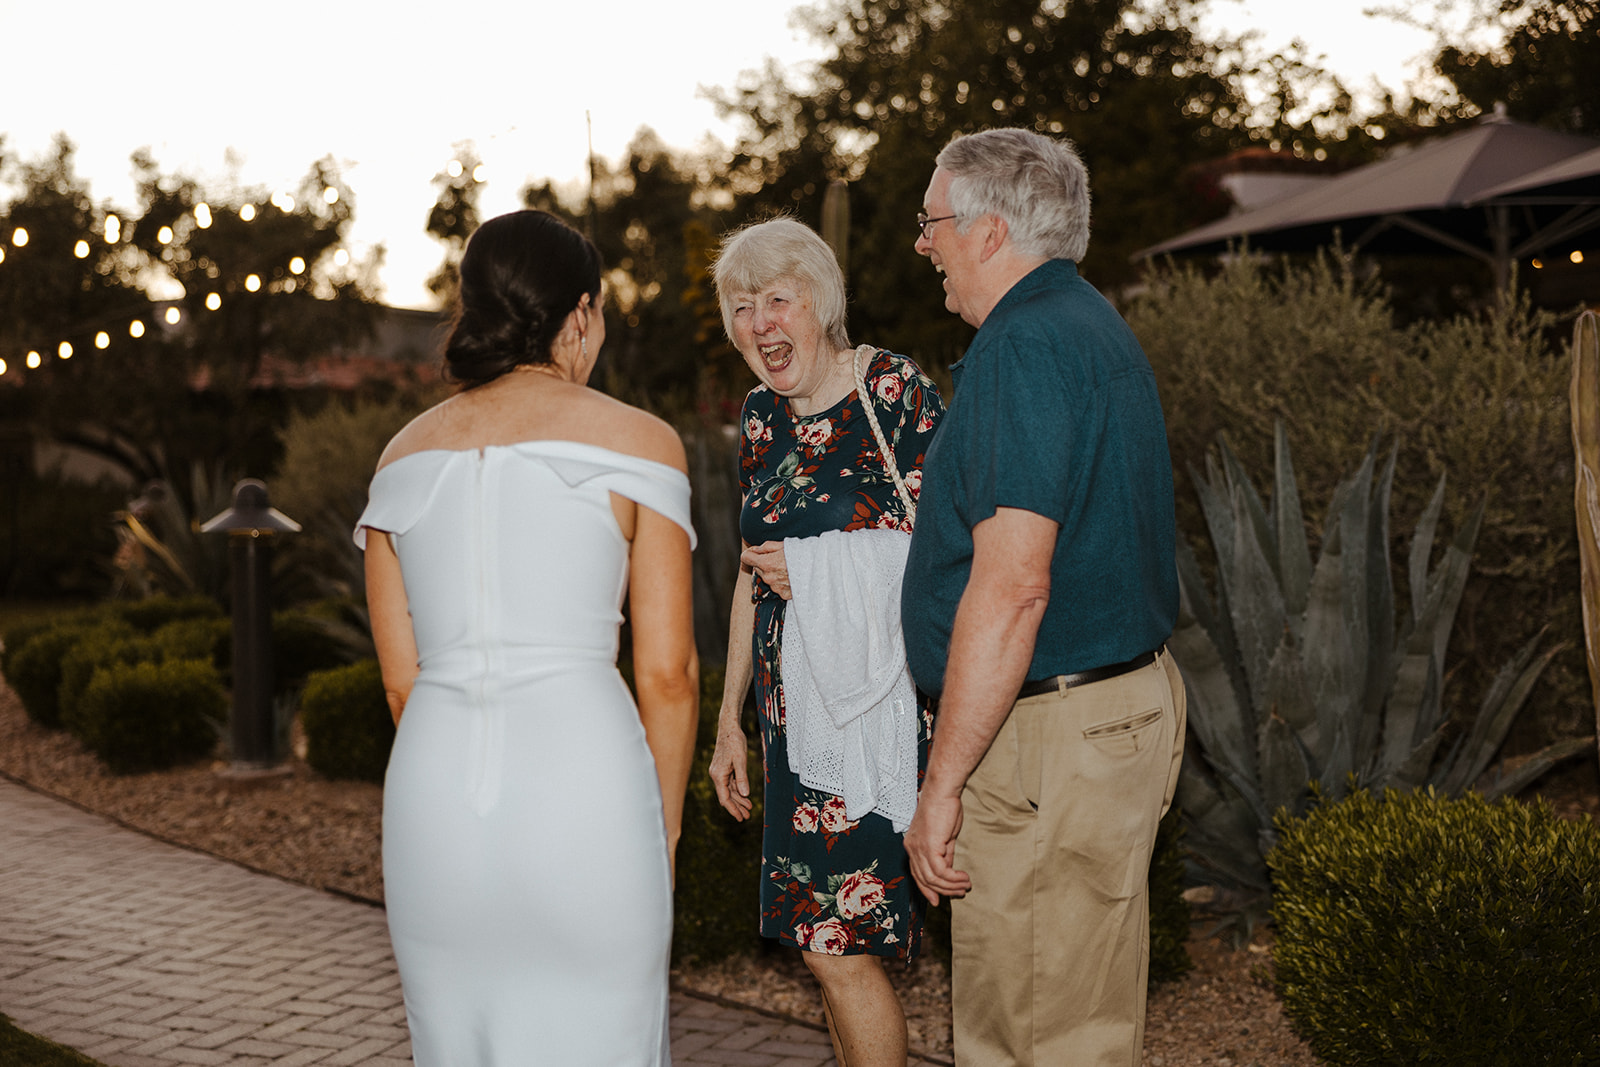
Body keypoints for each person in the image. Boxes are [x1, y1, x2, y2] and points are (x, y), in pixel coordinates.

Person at [356, 209, 699, 1066]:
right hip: (588, 797)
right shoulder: (640, 442)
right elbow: (667, 676)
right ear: (578, 315)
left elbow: (401, 685)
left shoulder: (400, 459)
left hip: (434, 802)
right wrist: (657, 834)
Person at [900, 128, 1187, 1066]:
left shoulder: (1023, 347)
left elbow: (1016, 585)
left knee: (1025, 1036)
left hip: (1049, 739)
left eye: (932, 220)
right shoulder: (1087, 321)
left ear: (986, 232)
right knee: (1076, 1023)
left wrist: (940, 785)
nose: (921, 242)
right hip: (1106, 712)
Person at [706, 217, 945, 1067]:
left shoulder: (891, 389)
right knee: (820, 944)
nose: (762, 322)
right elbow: (752, 572)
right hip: (797, 728)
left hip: (877, 715)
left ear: (822, 300)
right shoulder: (762, 418)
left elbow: (950, 550)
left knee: (841, 950)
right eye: (743, 306)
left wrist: (820, 569)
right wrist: (729, 722)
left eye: (780, 298)